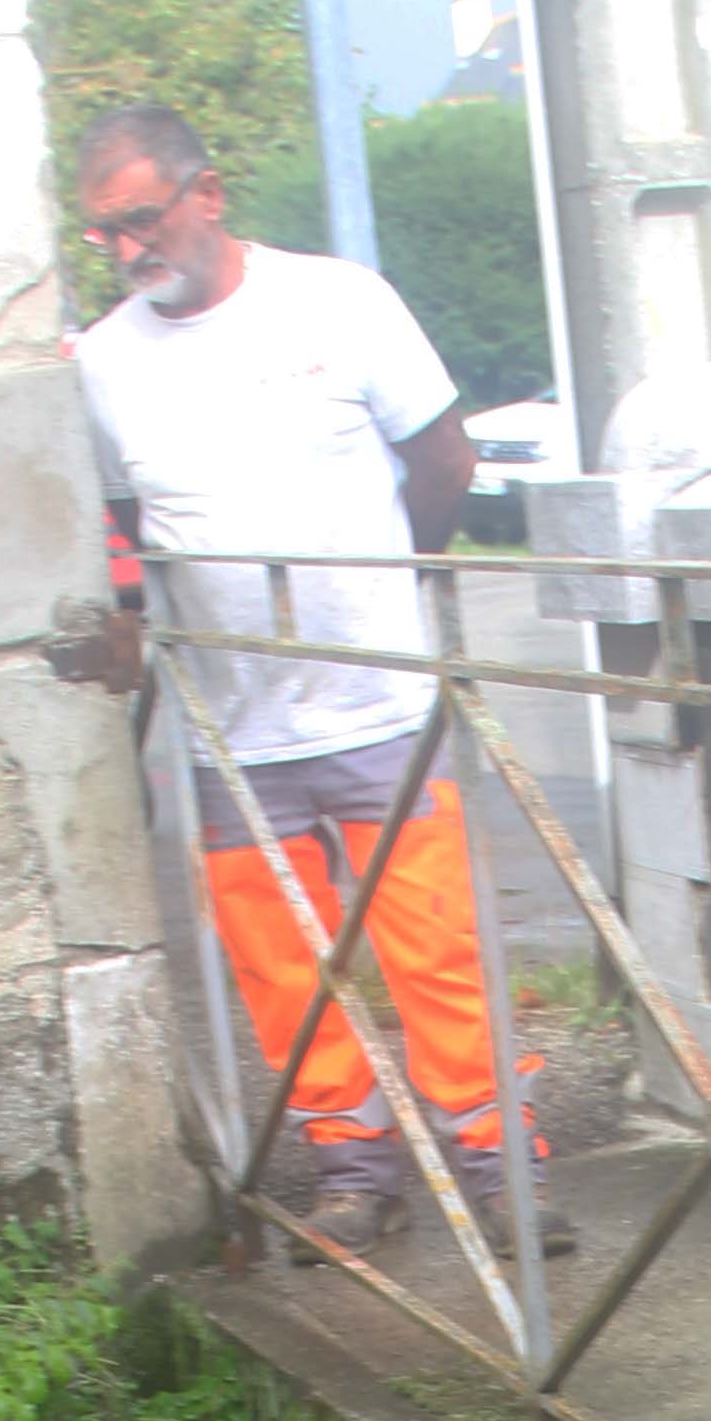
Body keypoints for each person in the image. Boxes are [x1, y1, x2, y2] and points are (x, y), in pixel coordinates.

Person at [55, 100, 558, 1252]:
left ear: (208, 194)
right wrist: (137, 636)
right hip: (234, 730)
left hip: (379, 699)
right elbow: (122, 529)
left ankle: (497, 1159)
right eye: (106, 233)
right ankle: (351, 1166)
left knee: (433, 941)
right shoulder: (107, 363)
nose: (131, 250)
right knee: (282, 966)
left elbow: (443, 458)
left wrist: (385, 590)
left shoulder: (339, 304)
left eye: (144, 218)